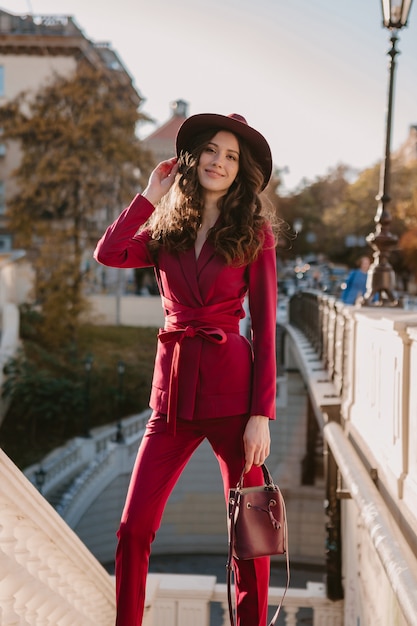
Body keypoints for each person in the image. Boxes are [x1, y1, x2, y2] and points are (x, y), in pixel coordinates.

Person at [94, 112, 279, 626]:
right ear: (194, 158)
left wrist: (261, 413)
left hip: (233, 398)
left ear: (241, 170)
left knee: (250, 533)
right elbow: (108, 253)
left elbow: (265, 328)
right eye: (213, 151)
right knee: (133, 528)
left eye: (232, 156)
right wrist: (149, 196)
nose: (220, 162)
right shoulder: (166, 227)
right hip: (170, 398)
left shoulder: (255, 233)